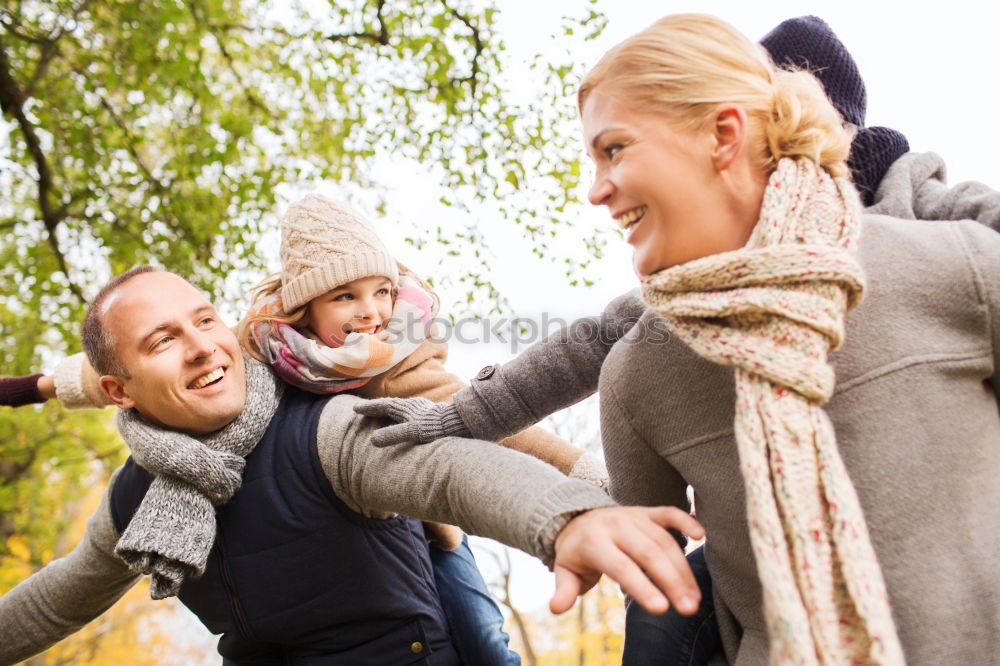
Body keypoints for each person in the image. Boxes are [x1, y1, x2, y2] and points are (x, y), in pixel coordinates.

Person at [356, 13, 1000, 666]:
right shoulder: (642, 363)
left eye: (614, 149)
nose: (594, 190)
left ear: (727, 133)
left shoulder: (950, 254)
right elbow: (577, 370)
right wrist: (448, 423)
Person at [2, 195, 609, 664]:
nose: (201, 348)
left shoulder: (348, 411)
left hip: (420, 592)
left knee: (481, 632)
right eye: (164, 339)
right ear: (120, 391)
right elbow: (57, 598)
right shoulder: (254, 358)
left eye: (204, 320)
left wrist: (571, 508)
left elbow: (461, 460)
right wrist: (27, 387)